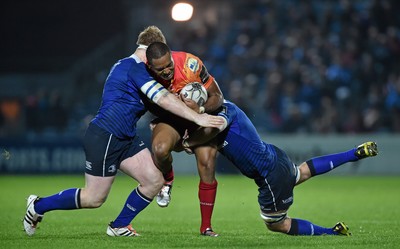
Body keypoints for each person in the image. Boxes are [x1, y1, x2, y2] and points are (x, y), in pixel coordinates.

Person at [22, 26, 225, 237]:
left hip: (125, 136)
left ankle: (119, 225)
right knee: (94, 198)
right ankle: (38, 206)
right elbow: (162, 98)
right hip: (106, 134)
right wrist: (197, 117)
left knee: (154, 180)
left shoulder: (128, 67)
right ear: (147, 52)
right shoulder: (134, 68)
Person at [180, 99, 379, 236]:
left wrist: (188, 143)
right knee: (302, 172)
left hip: (269, 175)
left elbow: (216, 126)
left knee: (276, 224)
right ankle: (354, 153)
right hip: (276, 157)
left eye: (187, 102)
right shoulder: (225, 108)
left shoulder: (222, 113)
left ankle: (331, 232)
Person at [143, 41, 224, 236]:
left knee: (207, 163)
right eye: (160, 69)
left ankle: (206, 227)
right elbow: (143, 104)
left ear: (172, 56)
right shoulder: (143, 74)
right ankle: (168, 180)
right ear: (151, 66)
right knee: (160, 149)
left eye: (169, 65)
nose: (167, 71)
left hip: (199, 118)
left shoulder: (190, 64)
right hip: (171, 120)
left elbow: (218, 96)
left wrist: (200, 109)